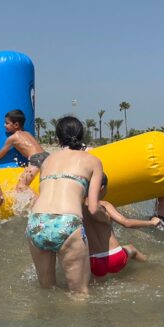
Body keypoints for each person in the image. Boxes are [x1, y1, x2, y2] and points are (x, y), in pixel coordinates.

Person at [25, 116, 107, 295]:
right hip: (66, 222)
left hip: (36, 222)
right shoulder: (92, 161)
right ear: (82, 134)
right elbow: (93, 207)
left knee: (47, 291)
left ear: (58, 137)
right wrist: (106, 219)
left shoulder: (47, 161)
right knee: (79, 294)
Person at [84, 174, 154, 279]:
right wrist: (151, 223)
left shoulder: (77, 206)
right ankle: (151, 266)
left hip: (93, 263)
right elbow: (127, 223)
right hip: (115, 257)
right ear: (102, 188)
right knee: (131, 249)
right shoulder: (104, 205)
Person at [0, 109, 49, 191]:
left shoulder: (13, 138)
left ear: (16, 125)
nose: (4, 125)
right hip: (47, 156)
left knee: (20, 187)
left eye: (7, 123)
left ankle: (38, 203)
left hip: (36, 159)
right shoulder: (28, 133)